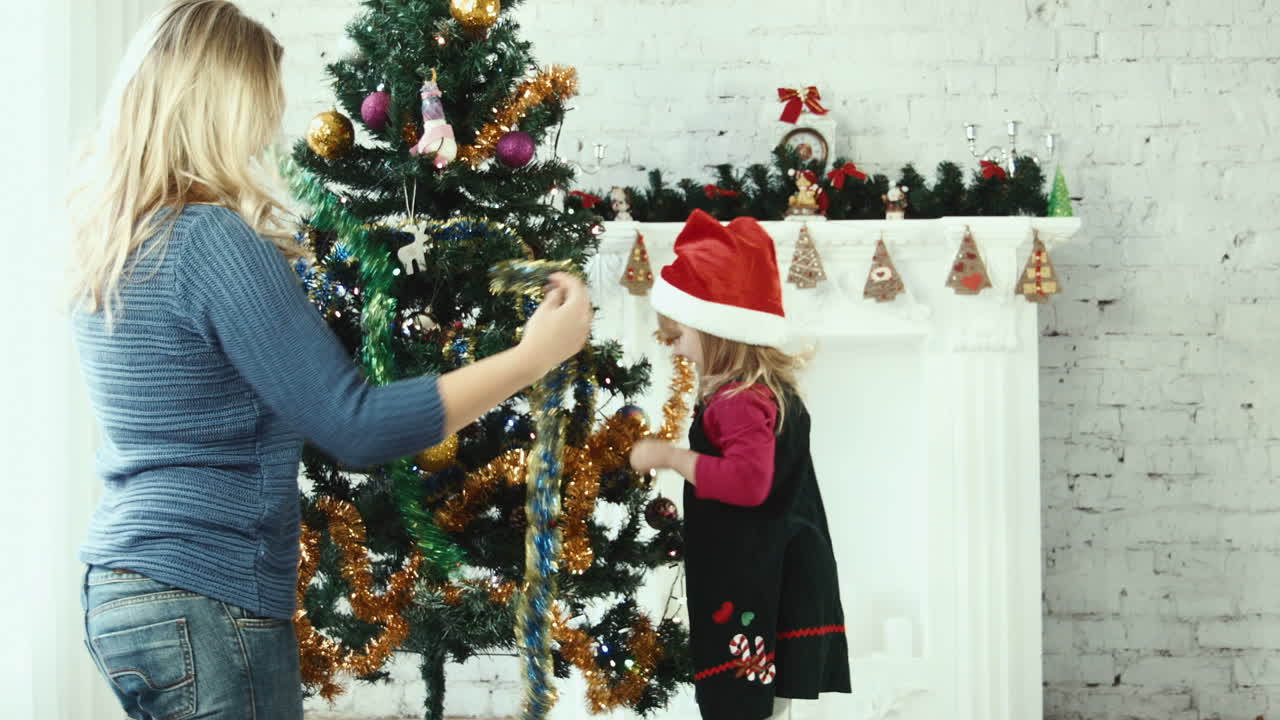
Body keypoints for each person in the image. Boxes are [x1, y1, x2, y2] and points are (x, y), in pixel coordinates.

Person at [66, 2, 592, 718]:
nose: (267, 132)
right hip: (207, 592)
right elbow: (355, 426)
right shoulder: (211, 240)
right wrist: (534, 357)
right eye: (261, 107)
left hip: (120, 589)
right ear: (220, 106)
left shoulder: (115, 242)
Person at [629, 210, 850, 720]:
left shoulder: (738, 402)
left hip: (760, 576)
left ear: (715, 331)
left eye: (679, 335)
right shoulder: (762, 392)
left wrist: (669, 456)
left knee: (744, 706)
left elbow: (748, 483)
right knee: (764, 706)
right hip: (777, 567)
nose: (676, 349)